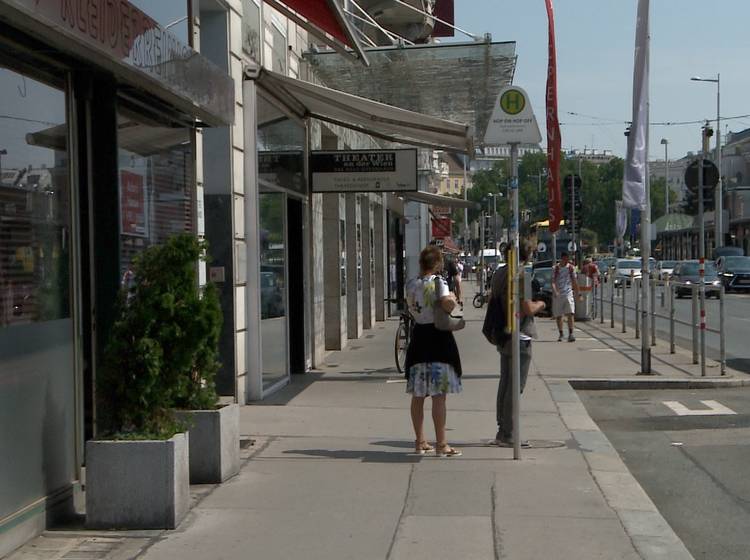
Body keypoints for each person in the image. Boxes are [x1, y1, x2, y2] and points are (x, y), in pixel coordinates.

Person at [404, 245, 463, 457]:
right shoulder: (439, 283)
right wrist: (453, 300)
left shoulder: (411, 284)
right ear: (437, 263)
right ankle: (442, 444)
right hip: (438, 339)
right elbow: (447, 306)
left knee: (418, 394)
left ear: (421, 263)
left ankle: (420, 441)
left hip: (418, 337)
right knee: (439, 395)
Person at [490, 241, 546, 447]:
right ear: (526, 254)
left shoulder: (499, 273)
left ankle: (501, 429)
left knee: (505, 383)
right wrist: (541, 303)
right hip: (520, 334)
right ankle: (509, 433)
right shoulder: (521, 275)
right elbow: (526, 308)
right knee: (516, 386)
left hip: (503, 332)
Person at [552, 251, 579, 342]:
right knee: (559, 315)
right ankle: (561, 333)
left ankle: (571, 334)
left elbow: (574, 281)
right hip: (558, 294)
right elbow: (553, 281)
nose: (568, 260)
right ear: (563, 258)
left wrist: (578, 293)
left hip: (568, 293)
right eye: (567, 258)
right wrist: (555, 291)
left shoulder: (571, 268)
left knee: (570, 313)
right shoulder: (555, 268)